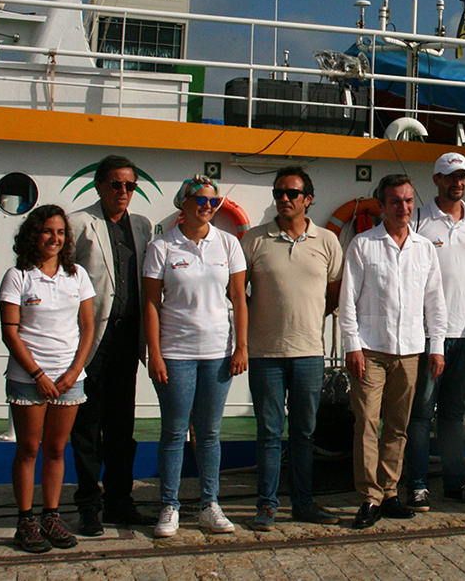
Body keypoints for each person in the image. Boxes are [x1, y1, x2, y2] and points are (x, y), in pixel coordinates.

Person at [142, 176, 248, 537]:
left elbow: (238, 298)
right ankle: (169, 506)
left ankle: (209, 504)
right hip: (175, 353)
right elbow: (152, 304)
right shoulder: (162, 247)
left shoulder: (229, 244)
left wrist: (241, 346)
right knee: (173, 432)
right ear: (183, 203)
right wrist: (154, 352)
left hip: (218, 352)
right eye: (200, 200)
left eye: (213, 201)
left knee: (209, 433)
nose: (207, 206)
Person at [340, 174, 447, 529]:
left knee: (398, 426)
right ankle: (369, 496)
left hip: (411, 350)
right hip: (370, 349)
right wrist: (352, 345)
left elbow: (435, 301)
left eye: (408, 201)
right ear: (382, 206)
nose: (403, 208)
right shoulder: (363, 245)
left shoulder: (424, 248)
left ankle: (389, 491)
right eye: (396, 201)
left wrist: (437, 346)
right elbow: (348, 301)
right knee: (367, 423)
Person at [241, 167, 344, 530]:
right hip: (264, 354)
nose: (284, 198)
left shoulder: (328, 241)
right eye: (279, 192)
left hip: (308, 355)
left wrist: (308, 316)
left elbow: (334, 294)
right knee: (269, 433)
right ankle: (266, 506)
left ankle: (303, 503)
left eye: (292, 193)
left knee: (304, 434)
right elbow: (238, 293)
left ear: (308, 199)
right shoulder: (253, 240)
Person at [0, 206, 95, 552]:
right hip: (29, 378)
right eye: (47, 231)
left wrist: (73, 371)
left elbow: (88, 327)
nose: (54, 239)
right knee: (28, 449)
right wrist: (37, 374)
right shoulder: (18, 275)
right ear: (33, 235)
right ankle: (25, 521)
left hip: (69, 378)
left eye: (60, 233)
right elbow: (10, 331)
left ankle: (51, 515)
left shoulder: (77, 275)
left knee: (56, 449)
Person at [69, 155, 156, 535]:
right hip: (90, 340)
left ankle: (120, 501)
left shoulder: (142, 226)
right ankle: (89, 504)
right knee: (86, 427)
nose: (123, 192)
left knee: (122, 427)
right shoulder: (77, 224)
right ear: (99, 186)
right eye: (115, 185)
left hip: (127, 338)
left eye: (130, 186)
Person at [405, 152, 465, 509]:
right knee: (421, 413)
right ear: (436, 180)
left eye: (463, 177)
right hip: (428, 334)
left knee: (454, 412)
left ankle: (456, 482)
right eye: (450, 176)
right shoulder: (419, 219)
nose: (458, 183)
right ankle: (417, 484)